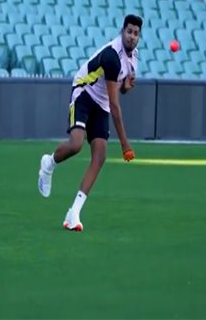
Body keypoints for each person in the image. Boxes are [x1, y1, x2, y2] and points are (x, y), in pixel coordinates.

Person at [37, 14, 142, 231]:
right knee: (76, 144)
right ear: (122, 31)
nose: (132, 36)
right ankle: (48, 164)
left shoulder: (134, 58)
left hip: (101, 104)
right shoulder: (112, 56)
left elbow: (120, 89)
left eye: (136, 33)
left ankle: (73, 213)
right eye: (129, 31)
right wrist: (125, 144)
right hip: (84, 92)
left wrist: (127, 87)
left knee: (100, 155)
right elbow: (115, 107)